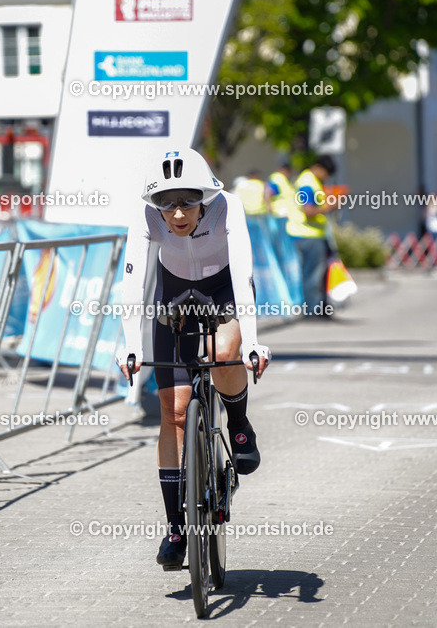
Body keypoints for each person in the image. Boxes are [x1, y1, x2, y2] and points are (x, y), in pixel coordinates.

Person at [117, 148, 270, 570]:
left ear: (205, 197)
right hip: (175, 295)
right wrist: (129, 343)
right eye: (167, 202)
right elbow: (133, 280)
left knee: (223, 354)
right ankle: (175, 528)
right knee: (175, 410)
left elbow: (244, 276)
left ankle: (238, 423)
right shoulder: (146, 216)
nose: (177, 212)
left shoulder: (229, 208)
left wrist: (252, 341)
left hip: (224, 292)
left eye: (187, 200)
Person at [286, 155, 340, 314]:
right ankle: (313, 310)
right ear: (319, 168)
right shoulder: (307, 183)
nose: (327, 177)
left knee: (315, 273)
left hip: (312, 234)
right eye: (326, 173)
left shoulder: (312, 181)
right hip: (308, 235)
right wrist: (330, 207)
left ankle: (318, 308)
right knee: (312, 275)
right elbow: (308, 210)